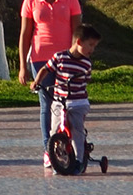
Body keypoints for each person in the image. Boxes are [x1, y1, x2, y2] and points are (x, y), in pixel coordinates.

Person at [18, 0, 83, 169]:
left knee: (65, 104)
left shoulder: (70, 0)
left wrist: (78, 58)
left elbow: (77, 32)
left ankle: (66, 146)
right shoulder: (30, 1)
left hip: (65, 60)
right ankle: (48, 149)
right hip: (39, 59)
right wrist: (22, 66)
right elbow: (25, 34)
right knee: (47, 104)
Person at [34, 23, 105, 174]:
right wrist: (36, 82)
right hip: (59, 102)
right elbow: (46, 69)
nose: (92, 49)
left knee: (76, 131)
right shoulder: (59, 57)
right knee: (54, 131)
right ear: (78, 42)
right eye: (90, 45)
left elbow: (87, 80)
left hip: (78, 103)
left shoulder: (86, 63)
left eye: (94, 46)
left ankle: (79, 161)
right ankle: (57, 160)